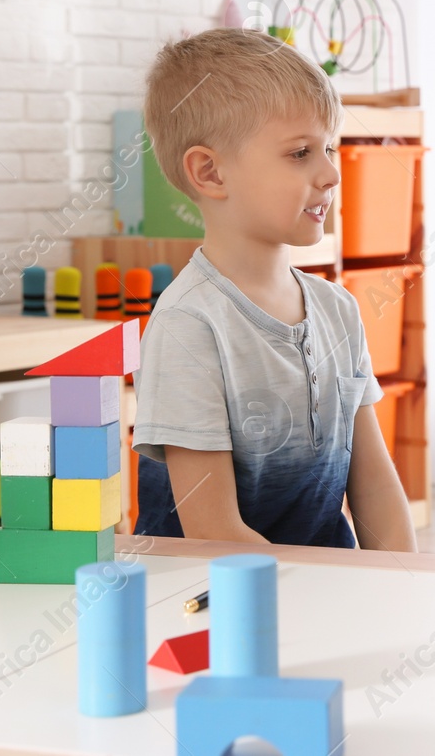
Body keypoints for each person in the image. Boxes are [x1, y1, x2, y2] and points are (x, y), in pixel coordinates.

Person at [132, 28, 416, 552]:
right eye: (301, 152)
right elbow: (214, 533)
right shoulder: (189, 326)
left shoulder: (337, 309)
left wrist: (403, 587)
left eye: (329, 147)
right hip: (220, 606)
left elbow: (374, 485)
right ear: (210, 172)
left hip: (324, 594)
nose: (331, 172)